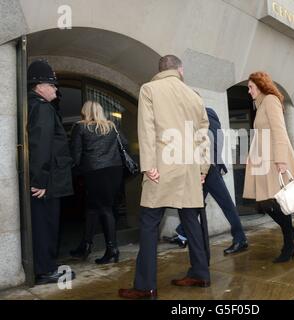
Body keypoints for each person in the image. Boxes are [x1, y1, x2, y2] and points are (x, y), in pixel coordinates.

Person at [118, 55, 211, 300]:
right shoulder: (194, 95)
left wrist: (148, 164)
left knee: (149, 224)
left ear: (160, 70)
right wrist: (203, 169)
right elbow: (203, 135)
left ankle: (145, 286)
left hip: (162, 166)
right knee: (192, 222)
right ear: (180, 70)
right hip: (189, 168)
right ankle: (201, 272)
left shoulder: (149, 89)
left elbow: (146, 128)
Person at [165, 107, 249, 254]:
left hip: (209, 168)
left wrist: (212, 164)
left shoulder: (206, 113)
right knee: (195, 203)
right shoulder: (193, 115)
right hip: (200, 168)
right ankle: (183, 234)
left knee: (226, 204)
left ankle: (240, 239)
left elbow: (215, 139)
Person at [243, 72, 294, 264]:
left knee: (279, 203)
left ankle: (289, 245)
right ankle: (290, 231)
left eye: (251, 87)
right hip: (263, 160)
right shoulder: (260, 105)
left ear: (260, 85)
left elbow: (279, 130)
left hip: (275, 159)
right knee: (266, 202)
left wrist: (281, 159)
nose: (249, 90)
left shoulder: (270, 100)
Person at [27, 59, 76, 285]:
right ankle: (45, 270)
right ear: (39, 86)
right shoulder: (43, 108)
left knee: (45, 223)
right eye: (52, 85)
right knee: (46, 224)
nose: (56, 89)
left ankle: (46, 265)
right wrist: (41, 180)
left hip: (47, 178)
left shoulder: (36, 105)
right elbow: (40, 145)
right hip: (47, 181)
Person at [69, 101, 126, 264]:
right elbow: (125, 145)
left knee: (104, 208)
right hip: (114, 170)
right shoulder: (111, 126)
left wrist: (75, 172)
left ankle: (112, 249)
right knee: (93, 208)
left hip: (94, 171)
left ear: (84, 112)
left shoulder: (80, 127)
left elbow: (76, 155)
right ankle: (85, 246)